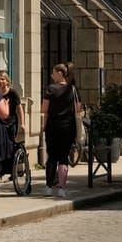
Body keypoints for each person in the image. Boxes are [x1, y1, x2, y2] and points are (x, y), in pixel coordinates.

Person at [39, 63, 82, 199]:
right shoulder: (72, 89)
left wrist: (44, 126)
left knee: (51, 157)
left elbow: (44, 110)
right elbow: (78, 108)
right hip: (68, 126)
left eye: (53, 73)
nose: (52, 76)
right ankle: (62, 188)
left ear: (60, 73)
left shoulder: (50, 89)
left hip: (52, 126)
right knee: (63, 157)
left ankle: (48, 187)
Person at [0, 72, 22, 188]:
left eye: (3, 79)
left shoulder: (12, 93)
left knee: (10, 146)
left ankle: (11, 170)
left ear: (7, 81)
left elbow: (19, 108)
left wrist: (23, 123)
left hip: (11, 123)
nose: (1, 81)